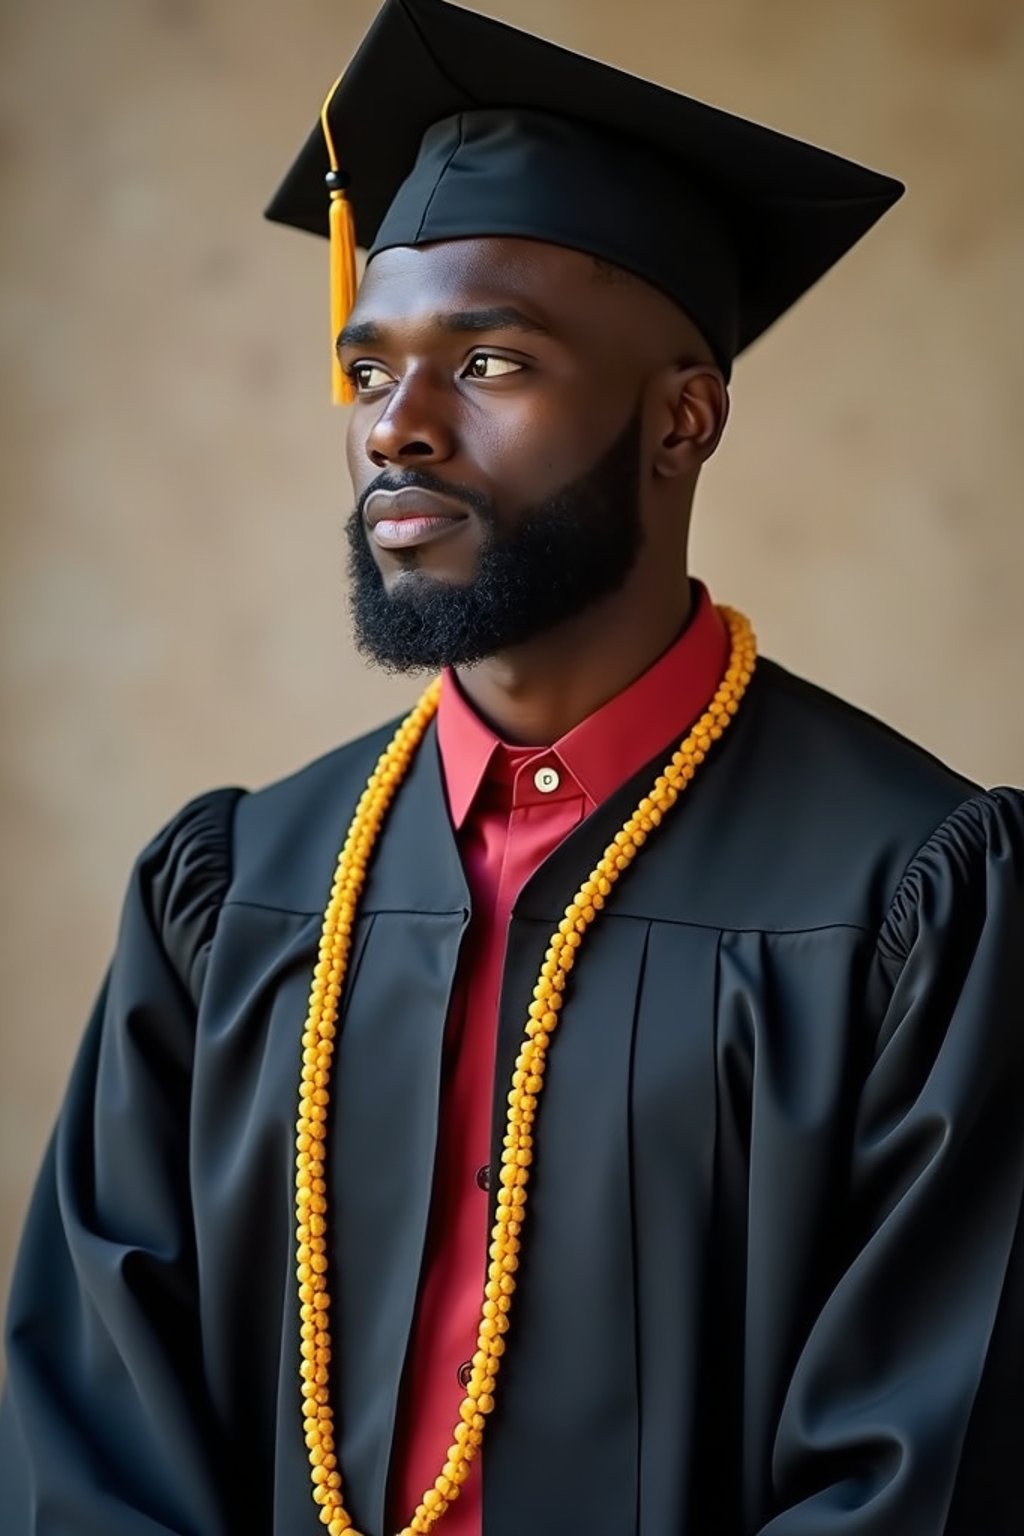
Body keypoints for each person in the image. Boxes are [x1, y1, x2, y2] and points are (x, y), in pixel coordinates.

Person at [2, 0, 1022, 1532]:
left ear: (683, 420)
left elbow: (923, 1471)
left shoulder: (914, 902)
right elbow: (91, 1428)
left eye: (489, 360)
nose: (398, 430)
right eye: (365, 374)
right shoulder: (233, 898)